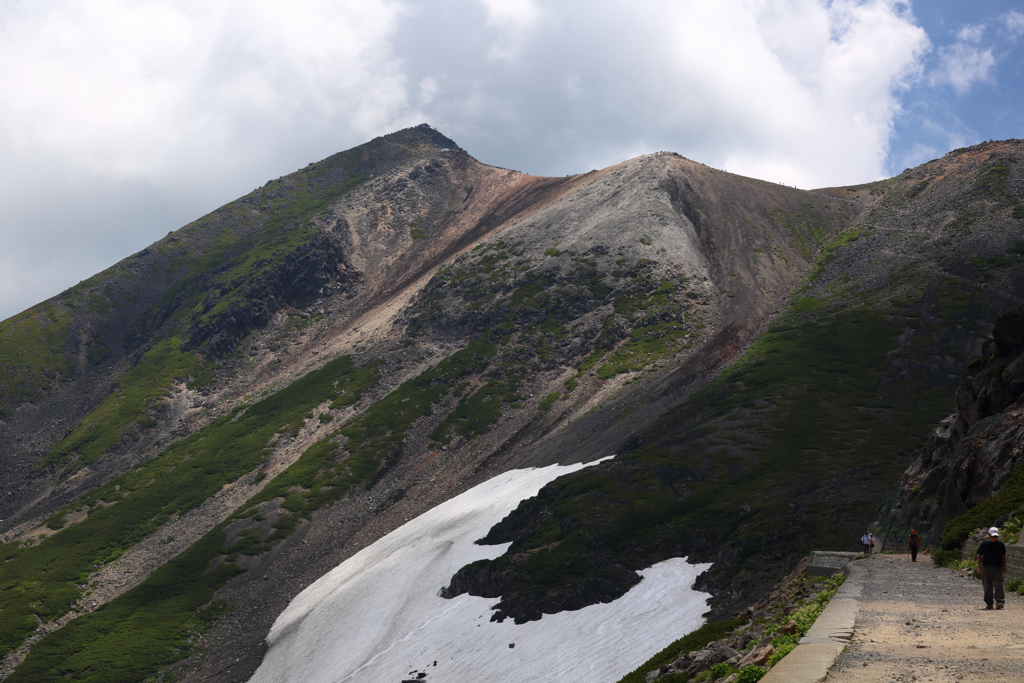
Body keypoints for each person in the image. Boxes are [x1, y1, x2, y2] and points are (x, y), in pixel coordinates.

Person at [976, 526, 1007, 610]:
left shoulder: (1000, 544)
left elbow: (1003, 556)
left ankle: (999, 601)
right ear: (988, 534)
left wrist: (1004, 566)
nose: (994, 538)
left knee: (999, 584)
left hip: (998, 567)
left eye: (996, 536)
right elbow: (979, 555)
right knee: (987, 586)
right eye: (992, 536)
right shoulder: (984, 544)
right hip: (987, 567)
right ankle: (989, 602)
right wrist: (979, 567)